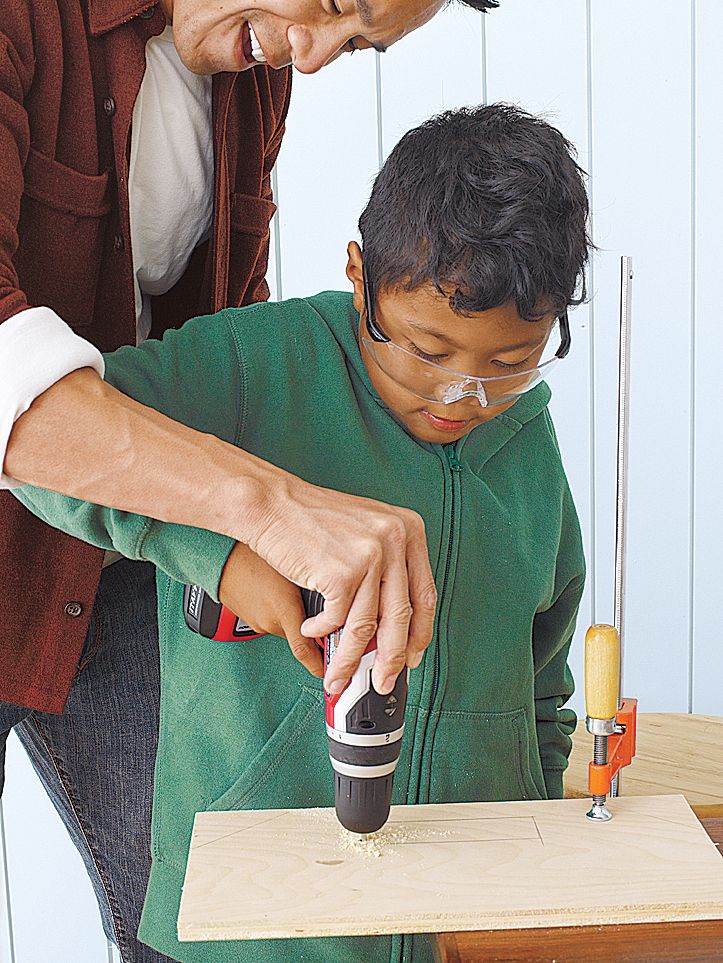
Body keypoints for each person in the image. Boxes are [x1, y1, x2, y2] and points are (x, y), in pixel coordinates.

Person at [12, 102, 590, 963]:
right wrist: (225, 554)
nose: (458, 398)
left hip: (461, 919)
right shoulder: (251, 363)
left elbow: (543, 674)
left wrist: (535, 848)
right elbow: (42, 455)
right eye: (428, 351)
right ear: (360, 276)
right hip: (252, 924)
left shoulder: (522, 435)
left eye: (508, 363)